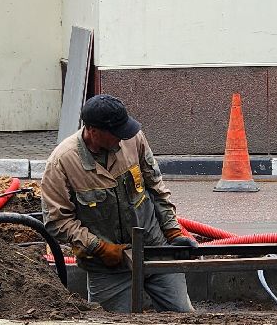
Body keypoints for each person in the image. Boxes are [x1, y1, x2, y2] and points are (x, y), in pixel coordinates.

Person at [39, 94, 197, 313]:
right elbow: (57, 221)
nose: (123, 139)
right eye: (116, 133)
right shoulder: (62, 163)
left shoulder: (133, 138)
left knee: (184, 317)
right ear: (93, 131)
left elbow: (156, 187)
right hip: (108, 267)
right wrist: (100, 248)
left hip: (154, 249)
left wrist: (172, 232)